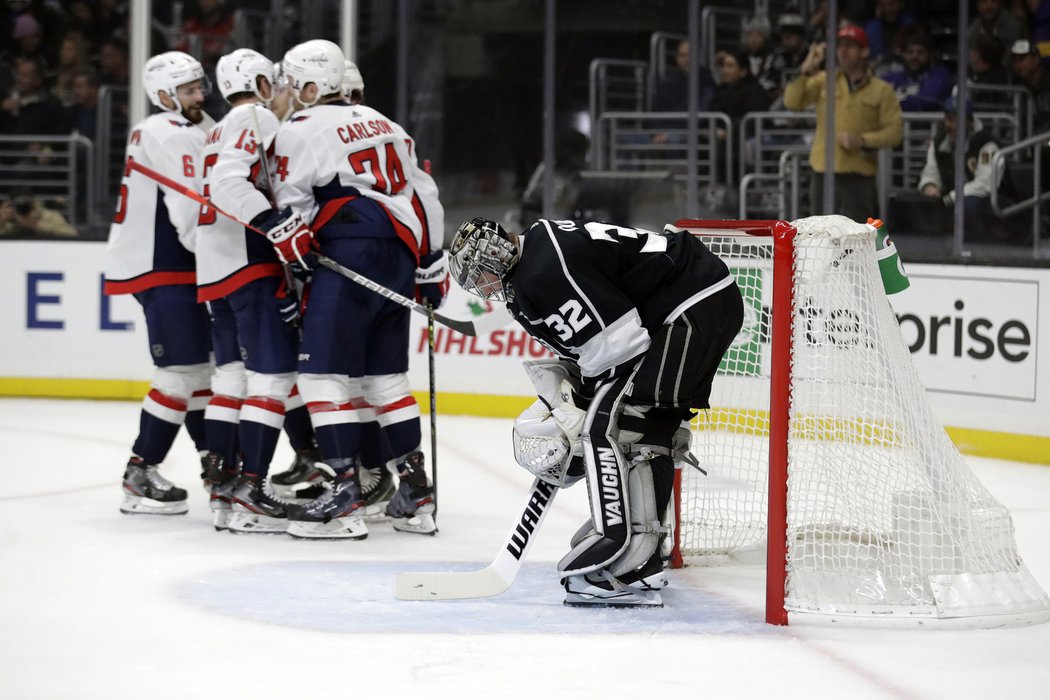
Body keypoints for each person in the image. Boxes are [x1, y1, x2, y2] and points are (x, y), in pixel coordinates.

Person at [447, 217, 743, 607]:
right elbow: (593, 348)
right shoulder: (533, 263)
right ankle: (645, 556)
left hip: (692, 303)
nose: (483, 288)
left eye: (482, 274)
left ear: (497, 257)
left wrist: (584, 409)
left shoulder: (543, 274)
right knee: (647, 424)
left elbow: (619, 349)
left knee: (628, 422)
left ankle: (629, 553)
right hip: (691, 301)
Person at [264, 39, 445, 539]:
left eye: (292, 81)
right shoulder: (389, 124)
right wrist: (431, 265)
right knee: (385, 380)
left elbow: (291, 204)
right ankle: (415, 494)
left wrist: (293, 248)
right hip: (400, 255)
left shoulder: (299, 129)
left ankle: (344, 494)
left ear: (310, 86)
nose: (286, 91)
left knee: (321, 378)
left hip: (347, 251)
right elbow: (426, 196)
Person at [103, 51, 213, 516]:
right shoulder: (167, 131)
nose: (199, 95)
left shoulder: (187, 127)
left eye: (198, 86)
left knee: (202, 370)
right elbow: (188, 209)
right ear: (165, 95)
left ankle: (218, 462)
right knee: (181, 373)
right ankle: (139, 472)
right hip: (165, 263)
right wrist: (217, 254)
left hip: (175, 264)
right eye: (188, 90)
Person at [783, 24, 903, 222]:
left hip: (859, 175)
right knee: (821, 237)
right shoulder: (824, 81)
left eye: (851, 45)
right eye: (840, 45)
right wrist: (804, 71)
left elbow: (895, 132)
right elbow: (792, 102)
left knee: (857, 239)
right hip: (823, 171)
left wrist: (863, 140)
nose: (843, 50)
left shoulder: (882, 90)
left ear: (864, 51)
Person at [917, 96, 1021, 241]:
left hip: (994, 202)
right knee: (919, 202)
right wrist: (930, 186)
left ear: (969, 121)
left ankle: (980, 245)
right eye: (948, 119)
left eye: (955, 120)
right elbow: (931, 172)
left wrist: (951, 197)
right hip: (951, 199)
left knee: (969, 203)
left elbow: (985, 184)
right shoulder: (939, 143)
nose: (950, 125)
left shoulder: (986, 143)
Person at [649, 39, 716, 144]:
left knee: (675, 139)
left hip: (691, 133)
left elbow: (700, 115)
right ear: (677, 58)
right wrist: (658, 131)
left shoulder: (706, 82)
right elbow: (655, 112)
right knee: (625, 138)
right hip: (663, 132)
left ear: (698, 57)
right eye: (682, 55)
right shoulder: (668, 82)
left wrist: (669, 132)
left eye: (690, 55)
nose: (687, 59)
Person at [883, 34, 955, 112]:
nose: (914, 56)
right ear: (904, 55)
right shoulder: (892, 77)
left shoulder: (939, 75)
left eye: (920, 52)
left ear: (929, 55)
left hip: (926, 123)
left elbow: (929, 102)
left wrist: (892, 102)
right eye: (910, 52)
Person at [969, 0, 1026, 70]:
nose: (989, 6)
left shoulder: (1013, 26)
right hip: (981, 75)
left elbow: (1014, 58)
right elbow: (967, 54)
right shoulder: (975, 26)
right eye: (984, 2)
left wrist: (988, 64)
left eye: (994, 1)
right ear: (977, 6)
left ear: (1000, 4)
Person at [0, 186, 77, 237]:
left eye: (26, 204)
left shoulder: (49, 216)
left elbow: (72, 234)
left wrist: (37, 225)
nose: (23, 207)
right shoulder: (8, 219)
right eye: (19, 205)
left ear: (33, 203)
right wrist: (1, 219)